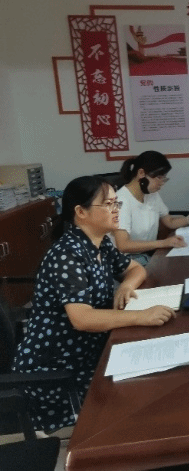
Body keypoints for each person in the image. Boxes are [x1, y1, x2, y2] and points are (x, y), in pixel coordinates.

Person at [12, 176, 177, 432]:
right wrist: (141, 316)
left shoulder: (99, 244)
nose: (116, 210)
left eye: (117, 203)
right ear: (81, 212)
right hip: (58, 370)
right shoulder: (67, 255)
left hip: (90, 351)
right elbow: (82, 318)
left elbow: (136, 269)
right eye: (108, 204)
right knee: (142, 397)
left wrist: (125, 286)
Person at [114, 151, 189, 265]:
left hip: (147, 254)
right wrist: (163, 243)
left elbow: (169, 221)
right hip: (126, 260)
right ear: (141, 173)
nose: (162, 183)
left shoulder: (151, 194)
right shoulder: (121, 201)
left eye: (164, 178)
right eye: (159, 177)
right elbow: (123, 245)